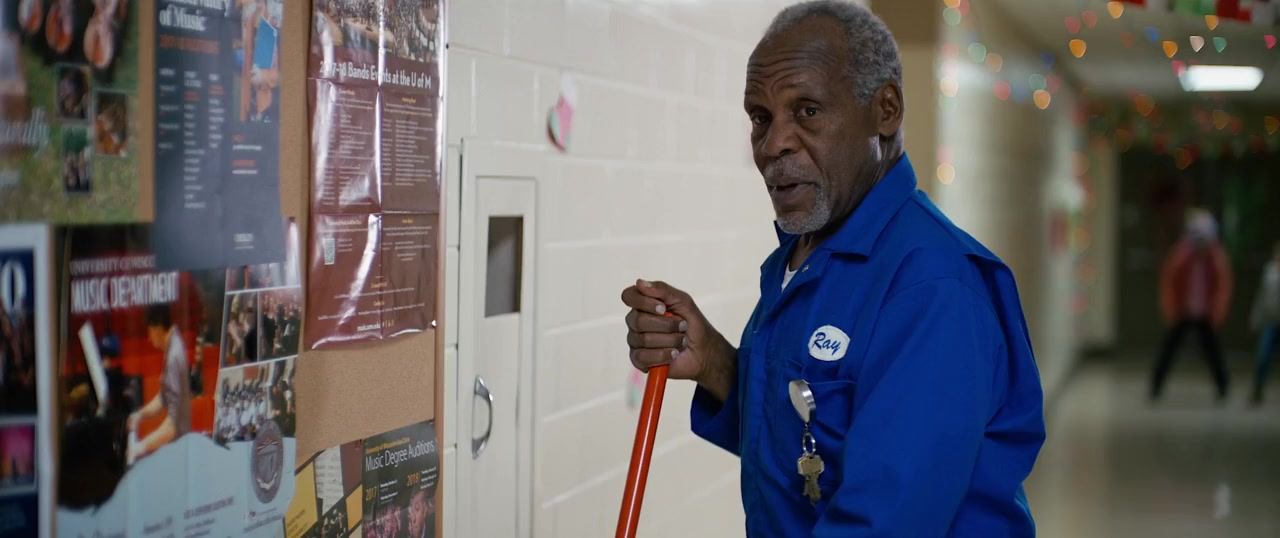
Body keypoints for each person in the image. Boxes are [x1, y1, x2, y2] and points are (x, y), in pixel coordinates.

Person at [620, 2, 1044, 535]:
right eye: (761, 117)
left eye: (808, 111)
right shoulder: (807, 258)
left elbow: (883, 523)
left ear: (885, 110)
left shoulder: (931, 287)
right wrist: (713, 363)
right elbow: (803, 445)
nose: (774, 143)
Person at [1150, 208, 1232, 401]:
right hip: (1183, 311)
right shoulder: (1181, 256)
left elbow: (1222, 287)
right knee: (1169, 349)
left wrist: (1217, 311)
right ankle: (1156, 385)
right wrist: (1171, 309)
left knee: (1212, 351)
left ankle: (1223, 387)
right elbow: (1169, 284)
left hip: (1205, 312)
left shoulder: (1215, 259)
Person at [127, 304, 191, 459]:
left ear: (158, 328)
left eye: (150, 331)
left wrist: (141, 447)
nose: (149, 338)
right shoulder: (173, 344)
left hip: (179, 449)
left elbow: (171, 428)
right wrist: (140, 415)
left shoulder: (173, 357)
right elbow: (164, 396)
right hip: (177, 444)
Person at [1249, 241, 1280, 404]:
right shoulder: (1270, 271)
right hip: (1271, 321)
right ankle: (1257, 389)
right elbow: (1261, 297)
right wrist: (1256, 318)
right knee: (1263, 356)